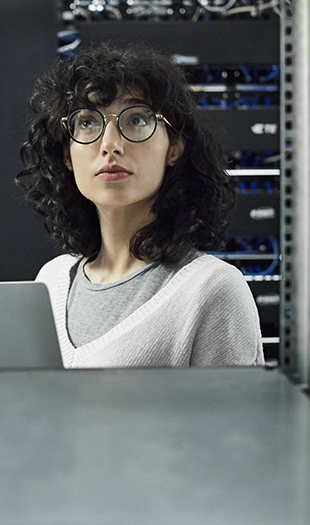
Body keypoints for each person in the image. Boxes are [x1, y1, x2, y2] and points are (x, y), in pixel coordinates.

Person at [17, 43, 264, 368]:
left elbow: (238, 419)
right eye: (88, 122)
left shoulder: (212, 289)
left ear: (174, 146)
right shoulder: (51, 280)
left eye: (136, 120)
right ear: (67, 156)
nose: (110, 145)